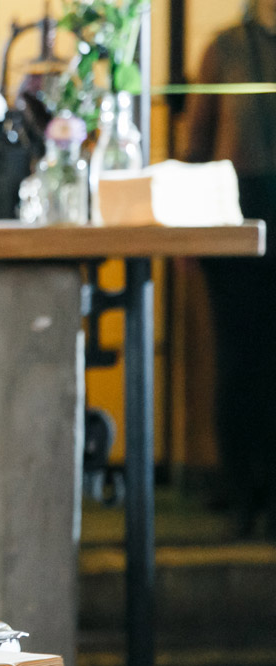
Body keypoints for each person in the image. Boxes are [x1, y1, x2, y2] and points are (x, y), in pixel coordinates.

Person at [184, 0, 276, 540]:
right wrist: (191, 231)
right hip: (235, 208)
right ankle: (242, 490)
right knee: (239, 357)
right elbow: (199, 140)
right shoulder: (225, 48)